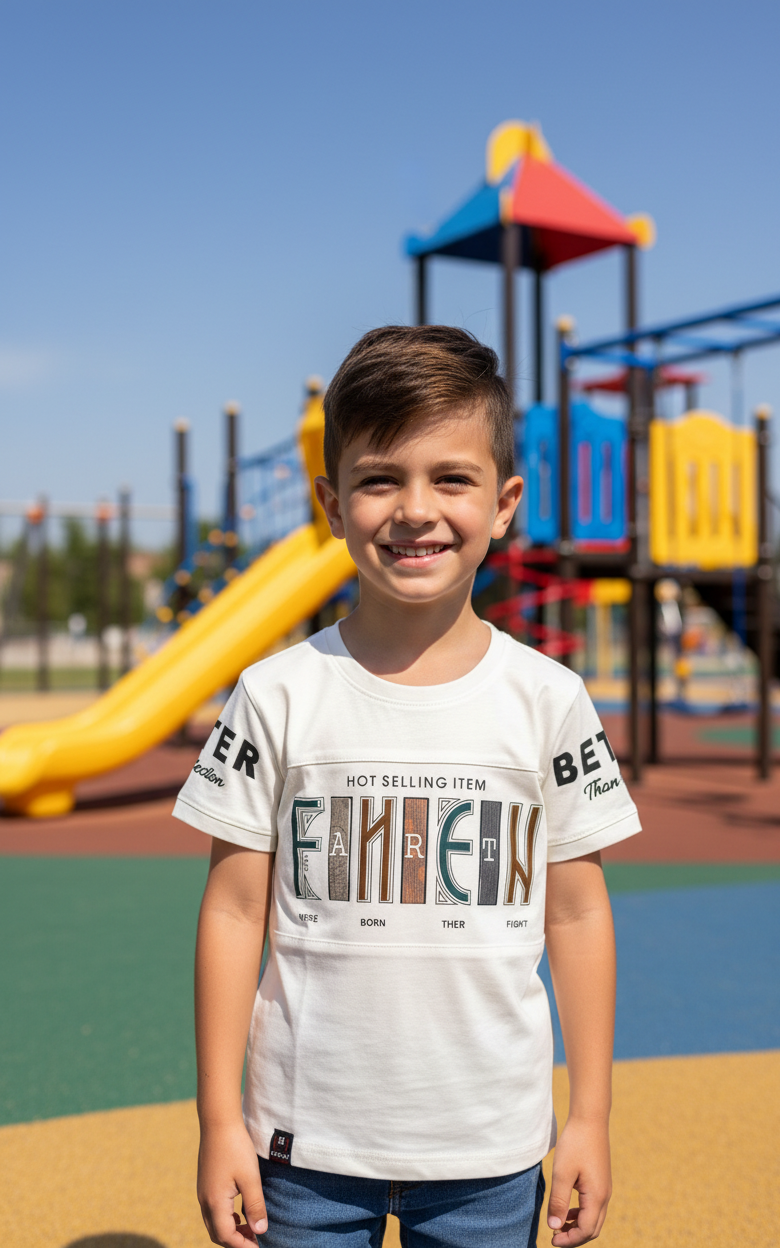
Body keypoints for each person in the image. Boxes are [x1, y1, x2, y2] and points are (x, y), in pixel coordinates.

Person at [173, 325, 641, 1248]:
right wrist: (218, 1119)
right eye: (380, 478)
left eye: (452, 478)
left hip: (489, 1155)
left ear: (505, 503)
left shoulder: (548, 699)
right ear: (332, 501)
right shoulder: (276, 694)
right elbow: (232, 911)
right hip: (301, 1155)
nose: (414, 509)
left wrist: (590, 1115)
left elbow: (579, 914)